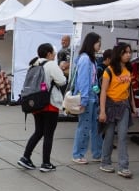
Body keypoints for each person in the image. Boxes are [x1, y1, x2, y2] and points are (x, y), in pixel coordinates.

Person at [17, 43, 66, 172]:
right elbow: (62, 81)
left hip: (36, 104)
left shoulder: (34, 64)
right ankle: (46, 163)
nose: (55, 55)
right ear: (49, 54)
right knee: (48, 134)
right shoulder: (50, 64)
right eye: (53, 52)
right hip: (49, 104)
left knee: (39, 131)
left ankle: (26, 157)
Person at [98, 43, 136, 177]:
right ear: (118, 53)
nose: (128, 55)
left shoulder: (129, 69)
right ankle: (105, 162)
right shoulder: (109, 70)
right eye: (125, 52)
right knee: (109, 135)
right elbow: (103, 92)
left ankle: (123, 166)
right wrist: (102, 111)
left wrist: (133, 106)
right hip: (110, 106)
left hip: (124, 105)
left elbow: (129, 89)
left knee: (123, 135)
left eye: (129, 52)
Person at [71, 32, 103, 164]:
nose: (100, 45)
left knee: (96, 127)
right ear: (92, 43)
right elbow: (84, 81)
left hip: (92, 97)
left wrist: (97, 92)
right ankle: (78, 154)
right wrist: (84, 100)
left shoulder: (91, 60)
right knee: (84, 127)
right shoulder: (85, 59)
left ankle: (97, 153)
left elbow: (93, 81)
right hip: (87, 98)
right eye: (98, 43)